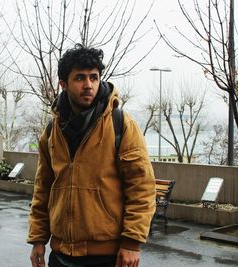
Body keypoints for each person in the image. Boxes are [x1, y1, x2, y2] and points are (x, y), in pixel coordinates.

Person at [28, 44, 156, 267]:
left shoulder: (121, 125)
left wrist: (132, 242)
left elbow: (142, 187)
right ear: (63, 84)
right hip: (60, 254)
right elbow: (44, 188)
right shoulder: (51, 132)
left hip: (106, 255)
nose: (88, 85)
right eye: (80, 78)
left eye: (94, 77)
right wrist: (38, 239)